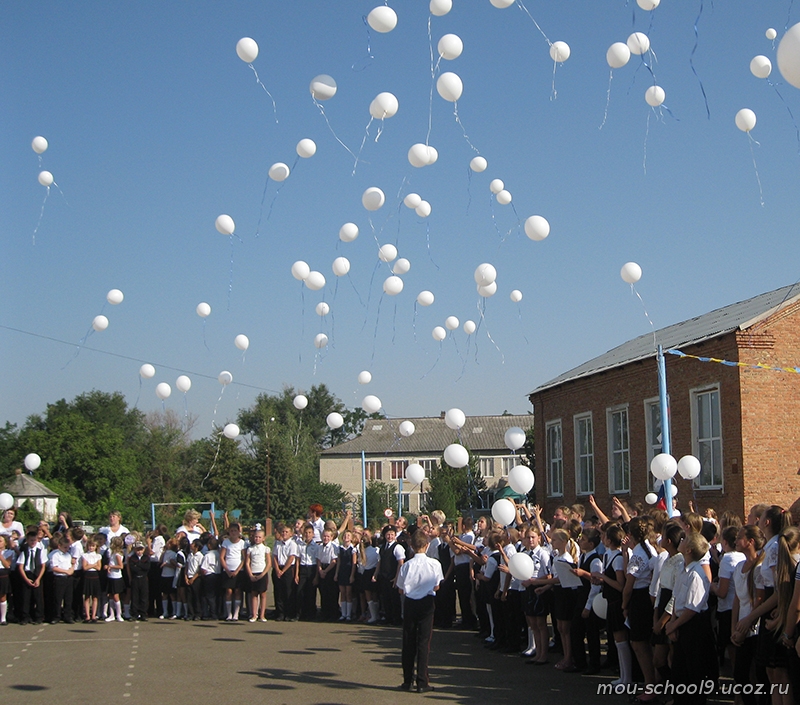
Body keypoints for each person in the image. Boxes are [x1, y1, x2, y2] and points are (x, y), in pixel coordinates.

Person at [665, 532, 718, 705]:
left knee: (694, 672)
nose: (681, 540)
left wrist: (674, 625)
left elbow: (692, 609)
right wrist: (672, 621)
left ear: (688, 550)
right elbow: (677, 597)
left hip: (693, 625)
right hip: (680, 621)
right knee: (679, 672)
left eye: (685, 540)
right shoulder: (682, 568)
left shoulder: (697, 574)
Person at [396, 529, 443, 693]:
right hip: (427, 602)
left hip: (410, 602)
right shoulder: (434, 564)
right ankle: (422, 681)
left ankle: (407, 680)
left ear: (411, 545)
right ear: (427, 545)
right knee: (424, 642)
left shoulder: (407, 566)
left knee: (408, 641)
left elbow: (401, 588)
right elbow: (437, 585)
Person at [17, 530, 47, 624]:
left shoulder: (40, 551)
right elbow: (21, 567)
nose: (33, 542)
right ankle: (25, 617)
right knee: (26, 598)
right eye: (31, 540)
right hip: (27, 574)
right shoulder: (24, 552)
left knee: (38, 598)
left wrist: (38, 579)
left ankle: (39, 617)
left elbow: (43, 566)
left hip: (37, 575)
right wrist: (26, 579)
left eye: (34, 540)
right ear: (27, 540)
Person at [272, 523, 298, 622]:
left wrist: (283, 570)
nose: (284, 533)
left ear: (291, 534)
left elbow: (291, 558)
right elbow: (274, 556)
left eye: (287, 532)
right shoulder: (277, 543)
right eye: (283, 532)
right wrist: (277, 569)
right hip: (278, 568)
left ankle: (289, 613)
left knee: (288, 591)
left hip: (287, 569)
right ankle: (280, 613)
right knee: (278, 592)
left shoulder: (293, 544)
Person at [220, 523, 246, 621]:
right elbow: (222, 557)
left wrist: (237, 570)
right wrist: (227, 570)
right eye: (231, 531)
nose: (233, 533)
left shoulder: (242, 543)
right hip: (227, 570)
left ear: (239, 532)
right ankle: (229, 613)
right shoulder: (226, 542)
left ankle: (236, 613)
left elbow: (244, 558)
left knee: (238, 591)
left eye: (235, 531)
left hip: (238, 570)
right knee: (228, 591)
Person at [245, 528, 270, 622]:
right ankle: (254, 614)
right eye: (256, 537)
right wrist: (250, 574)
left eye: (259, 537)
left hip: (262, 573)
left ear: (263, 538)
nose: (257, 539)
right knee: (254, 594)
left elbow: (268, 563)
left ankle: (262, 615)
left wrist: (262, 574)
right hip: (253, 572)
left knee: (263, 594)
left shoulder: (266, 549)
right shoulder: (250, 549)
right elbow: (247, 562)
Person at [50, 536, 75, 623]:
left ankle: (67, 616)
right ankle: (56, 616)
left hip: (68, 578)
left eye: (68, 547)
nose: (67, 549)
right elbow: (54, 568)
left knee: (68, 598)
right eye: (65, 547)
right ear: (59, 546)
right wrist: (65, 571)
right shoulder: (55, 555)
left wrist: (71, 570)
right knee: (58, 598)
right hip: (59, 578)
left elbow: (72, 566)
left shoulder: (68, 555)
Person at [316, 529, 339, 621]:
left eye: (328, 536)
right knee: (323, 592)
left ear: (332, 537)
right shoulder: (320, 547)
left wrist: (325, 571)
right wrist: (320, 570)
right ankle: (324, 613)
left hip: (330, 569)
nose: (326, 538)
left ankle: (333, 614)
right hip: (322, 568)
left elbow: (334, 561)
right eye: (324, 536)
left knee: (332, 593)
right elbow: (318, 560)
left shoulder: (334, 547)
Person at [336, 529, 357, 621]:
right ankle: (343, 613)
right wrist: (336, 574)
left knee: (348, 593)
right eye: (345, 535)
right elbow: (338, 562)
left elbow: (354, 563)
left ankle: (349, 614)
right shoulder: (339, 548)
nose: (346, 537)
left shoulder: (353, 549)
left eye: (348, 535)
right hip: (342, 572)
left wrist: (352, 575)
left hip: (349, 572)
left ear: (352, 538)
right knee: (343, 593)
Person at [127, 540, 150, 621]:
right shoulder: (132, 558)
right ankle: (134, 614)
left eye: (141, 549)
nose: (139, 552)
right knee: (135, 597)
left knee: (144, 597)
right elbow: (133, 568)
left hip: (143, 578)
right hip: (135, 579)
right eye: (137, 550)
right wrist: (140, 566)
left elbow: (147, 567)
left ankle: (143, 613)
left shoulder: (146, 558)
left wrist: (139, 564)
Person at [105, 536, 126, 622]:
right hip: (110, 576)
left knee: (116, 596)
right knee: (110, 595)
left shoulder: (117, 554)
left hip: (116, 577)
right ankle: (111, 614)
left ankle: (118, 614)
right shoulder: (112, 553)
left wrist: (110, 566)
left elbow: (120, 566)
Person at [81, 536, 102, 623]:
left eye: (93, 546)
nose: (91, 547)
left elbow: (99, 567)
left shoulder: (98, 556)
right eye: (89, 546)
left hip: (95, 576)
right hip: (87, 576)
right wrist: (93, 565)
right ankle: (87, 616)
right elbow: (85, 567)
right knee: (86, 597)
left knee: (95, 597)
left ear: (96, 547)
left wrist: (91, 565)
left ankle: (93, 615)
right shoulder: (85, 555)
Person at [0, 534, 14, 625]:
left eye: (0, 541)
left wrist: (0, 556)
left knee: (2, 596)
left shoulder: (8, 552)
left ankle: (3, 618)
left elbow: (7, 565)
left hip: (2, 574)